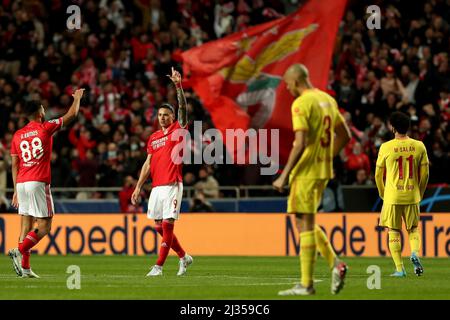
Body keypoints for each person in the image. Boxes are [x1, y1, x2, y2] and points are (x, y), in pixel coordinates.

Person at [272, 64, 351, 296]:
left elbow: (301, 142)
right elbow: (344, 135)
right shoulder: (327, 100)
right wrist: (326, 156)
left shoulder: (301, 103)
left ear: (296, 82)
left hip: (306, 172)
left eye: (287, 83)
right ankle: (336, 264)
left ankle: (307, 284)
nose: (287, 87)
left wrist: (284, 175)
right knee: (303, 220)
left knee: (304, 224)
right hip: (323, 170)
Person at [8, 89, 85, 278]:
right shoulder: (46, 127)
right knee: (44, 226)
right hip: (38, 181)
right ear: (40, 112)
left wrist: (16, 190)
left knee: (25, 226)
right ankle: (18, 252)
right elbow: (72, 115)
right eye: (43, 108)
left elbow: (14, 164)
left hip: (22, 183)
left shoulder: (17, 135)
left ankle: (25, 268)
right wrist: (77, 99)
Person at [131, 67, 193, 276]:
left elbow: (183, 107)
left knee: (167, 225)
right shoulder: (154, 137)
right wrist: (138, 186)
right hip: (157, 186)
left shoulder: (179, 129)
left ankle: (158, 266)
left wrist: (178, 85)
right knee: (158, 226)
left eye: (166, 114)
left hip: (173, 184)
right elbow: (147, 164)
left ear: (173, 117)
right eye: (160, 115)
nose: (163, 117)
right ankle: (184, 257)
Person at [374, 111, 429, 277]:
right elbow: (425, 174)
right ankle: (414, 253)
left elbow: (378, 175)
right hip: (412, 195)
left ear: (392, 128)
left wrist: (383, 193)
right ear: (408, 127)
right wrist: (420, 191)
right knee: (413, 229)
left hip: (392, 196)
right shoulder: (419, 146)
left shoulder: (385, 147)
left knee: (393, 230)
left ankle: (400, 269)